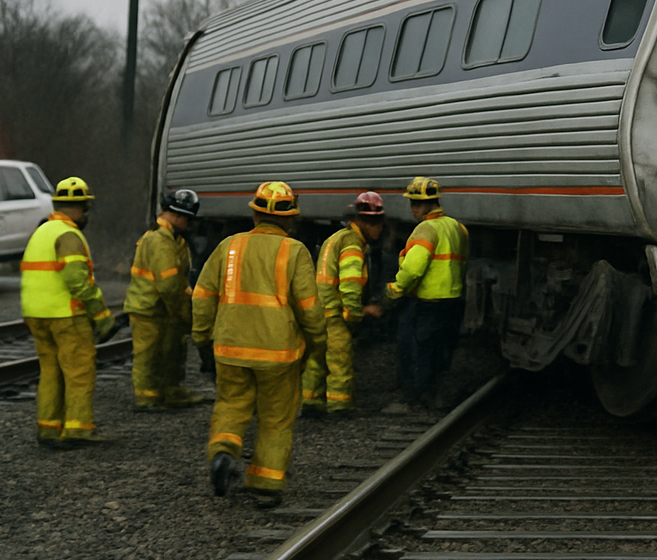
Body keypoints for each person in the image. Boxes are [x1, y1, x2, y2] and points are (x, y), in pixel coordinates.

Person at [192, 181, 326, 507]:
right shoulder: (295, 251)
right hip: (278, 354)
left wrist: (202, 339)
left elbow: (202, 297)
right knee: (276, 418)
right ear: (290, 220)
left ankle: (223, 453)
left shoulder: (228, 246)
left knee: (230, 405)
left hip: (229, 347)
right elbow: (309, 309)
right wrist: (317, 344)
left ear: (254, 215)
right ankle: (265, 483)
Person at [20, 176, 116, 447]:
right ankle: (78, 429)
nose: (86, 215)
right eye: (85, 208)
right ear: (78, 207)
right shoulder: (69, 235)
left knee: (50, 370)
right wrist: (102, 316)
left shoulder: (41, 231)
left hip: (36, 315)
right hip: (66, 315)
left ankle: (49, 428)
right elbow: (77, 281)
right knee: (79, 371)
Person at [383, 176, 469, 408]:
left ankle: (418, 397)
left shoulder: (425, 229)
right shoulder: (458, 227)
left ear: (431, 204)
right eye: (412, 203)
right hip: (453, 300)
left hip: (428, 302)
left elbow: (413, 269)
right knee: (443, 350)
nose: (413, 209)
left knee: (420, 350)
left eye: (417, 203)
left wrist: (395, 289)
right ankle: (437, 393)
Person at [301, 191, 386, 415]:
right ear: (369, 223)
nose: (380, 231)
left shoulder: (335, 238)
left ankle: (311, 402)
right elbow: (350, 286)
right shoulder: (352, 245)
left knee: (315, 361)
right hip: (334, 315)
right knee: (340, 362)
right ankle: (340, 407)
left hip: (317, 310)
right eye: (379, 226)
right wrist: (356, 314)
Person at [125, 189, 204, 411]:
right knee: (148, 355)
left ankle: (170, 391)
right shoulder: (161, 240)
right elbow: (169, 285)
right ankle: (147, 398)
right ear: (177, 215)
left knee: (169, 351)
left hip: (159, 307)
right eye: (187, 218)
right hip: (150, 308)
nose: (189, 224)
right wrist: (181, 311)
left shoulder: (171, 238)